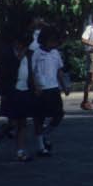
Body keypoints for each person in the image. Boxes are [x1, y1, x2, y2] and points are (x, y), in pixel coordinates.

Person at [30, 26, 67, 157]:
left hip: (54, 88)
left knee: (59, 115)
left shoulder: (55, 53)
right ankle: (41, 147)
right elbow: (33, 72)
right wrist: (36, 86)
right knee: (39, 118)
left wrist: (65, 86)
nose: (54, 43)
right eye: (51, 40)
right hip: (41, 89)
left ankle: (45, 134)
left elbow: (59, 71)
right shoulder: (37, 53)